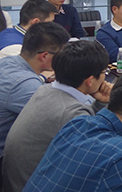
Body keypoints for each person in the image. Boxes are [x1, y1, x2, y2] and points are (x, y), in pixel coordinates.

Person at [3, 40, 113, 192]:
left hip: (19, 180)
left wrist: (100, 103)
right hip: (34, 186)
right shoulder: (72, 112)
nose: (105, 78)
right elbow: (98, 151)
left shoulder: (45, 90)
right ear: (90, 80)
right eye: (104, 72)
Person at [0, 22, 70, 167]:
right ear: (44, 56)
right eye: (61, 55)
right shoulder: (24, 84)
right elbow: (63, 118)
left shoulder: (8, 62)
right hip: (6, 160)